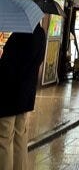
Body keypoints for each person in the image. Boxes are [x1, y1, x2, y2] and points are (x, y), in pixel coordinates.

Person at [0, 23, 46, 170]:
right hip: (26, 94)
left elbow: (8, 66)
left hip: (9, 94)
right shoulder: (40, 34)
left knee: (4, 138)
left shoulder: (19, 35)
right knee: (20, 136)